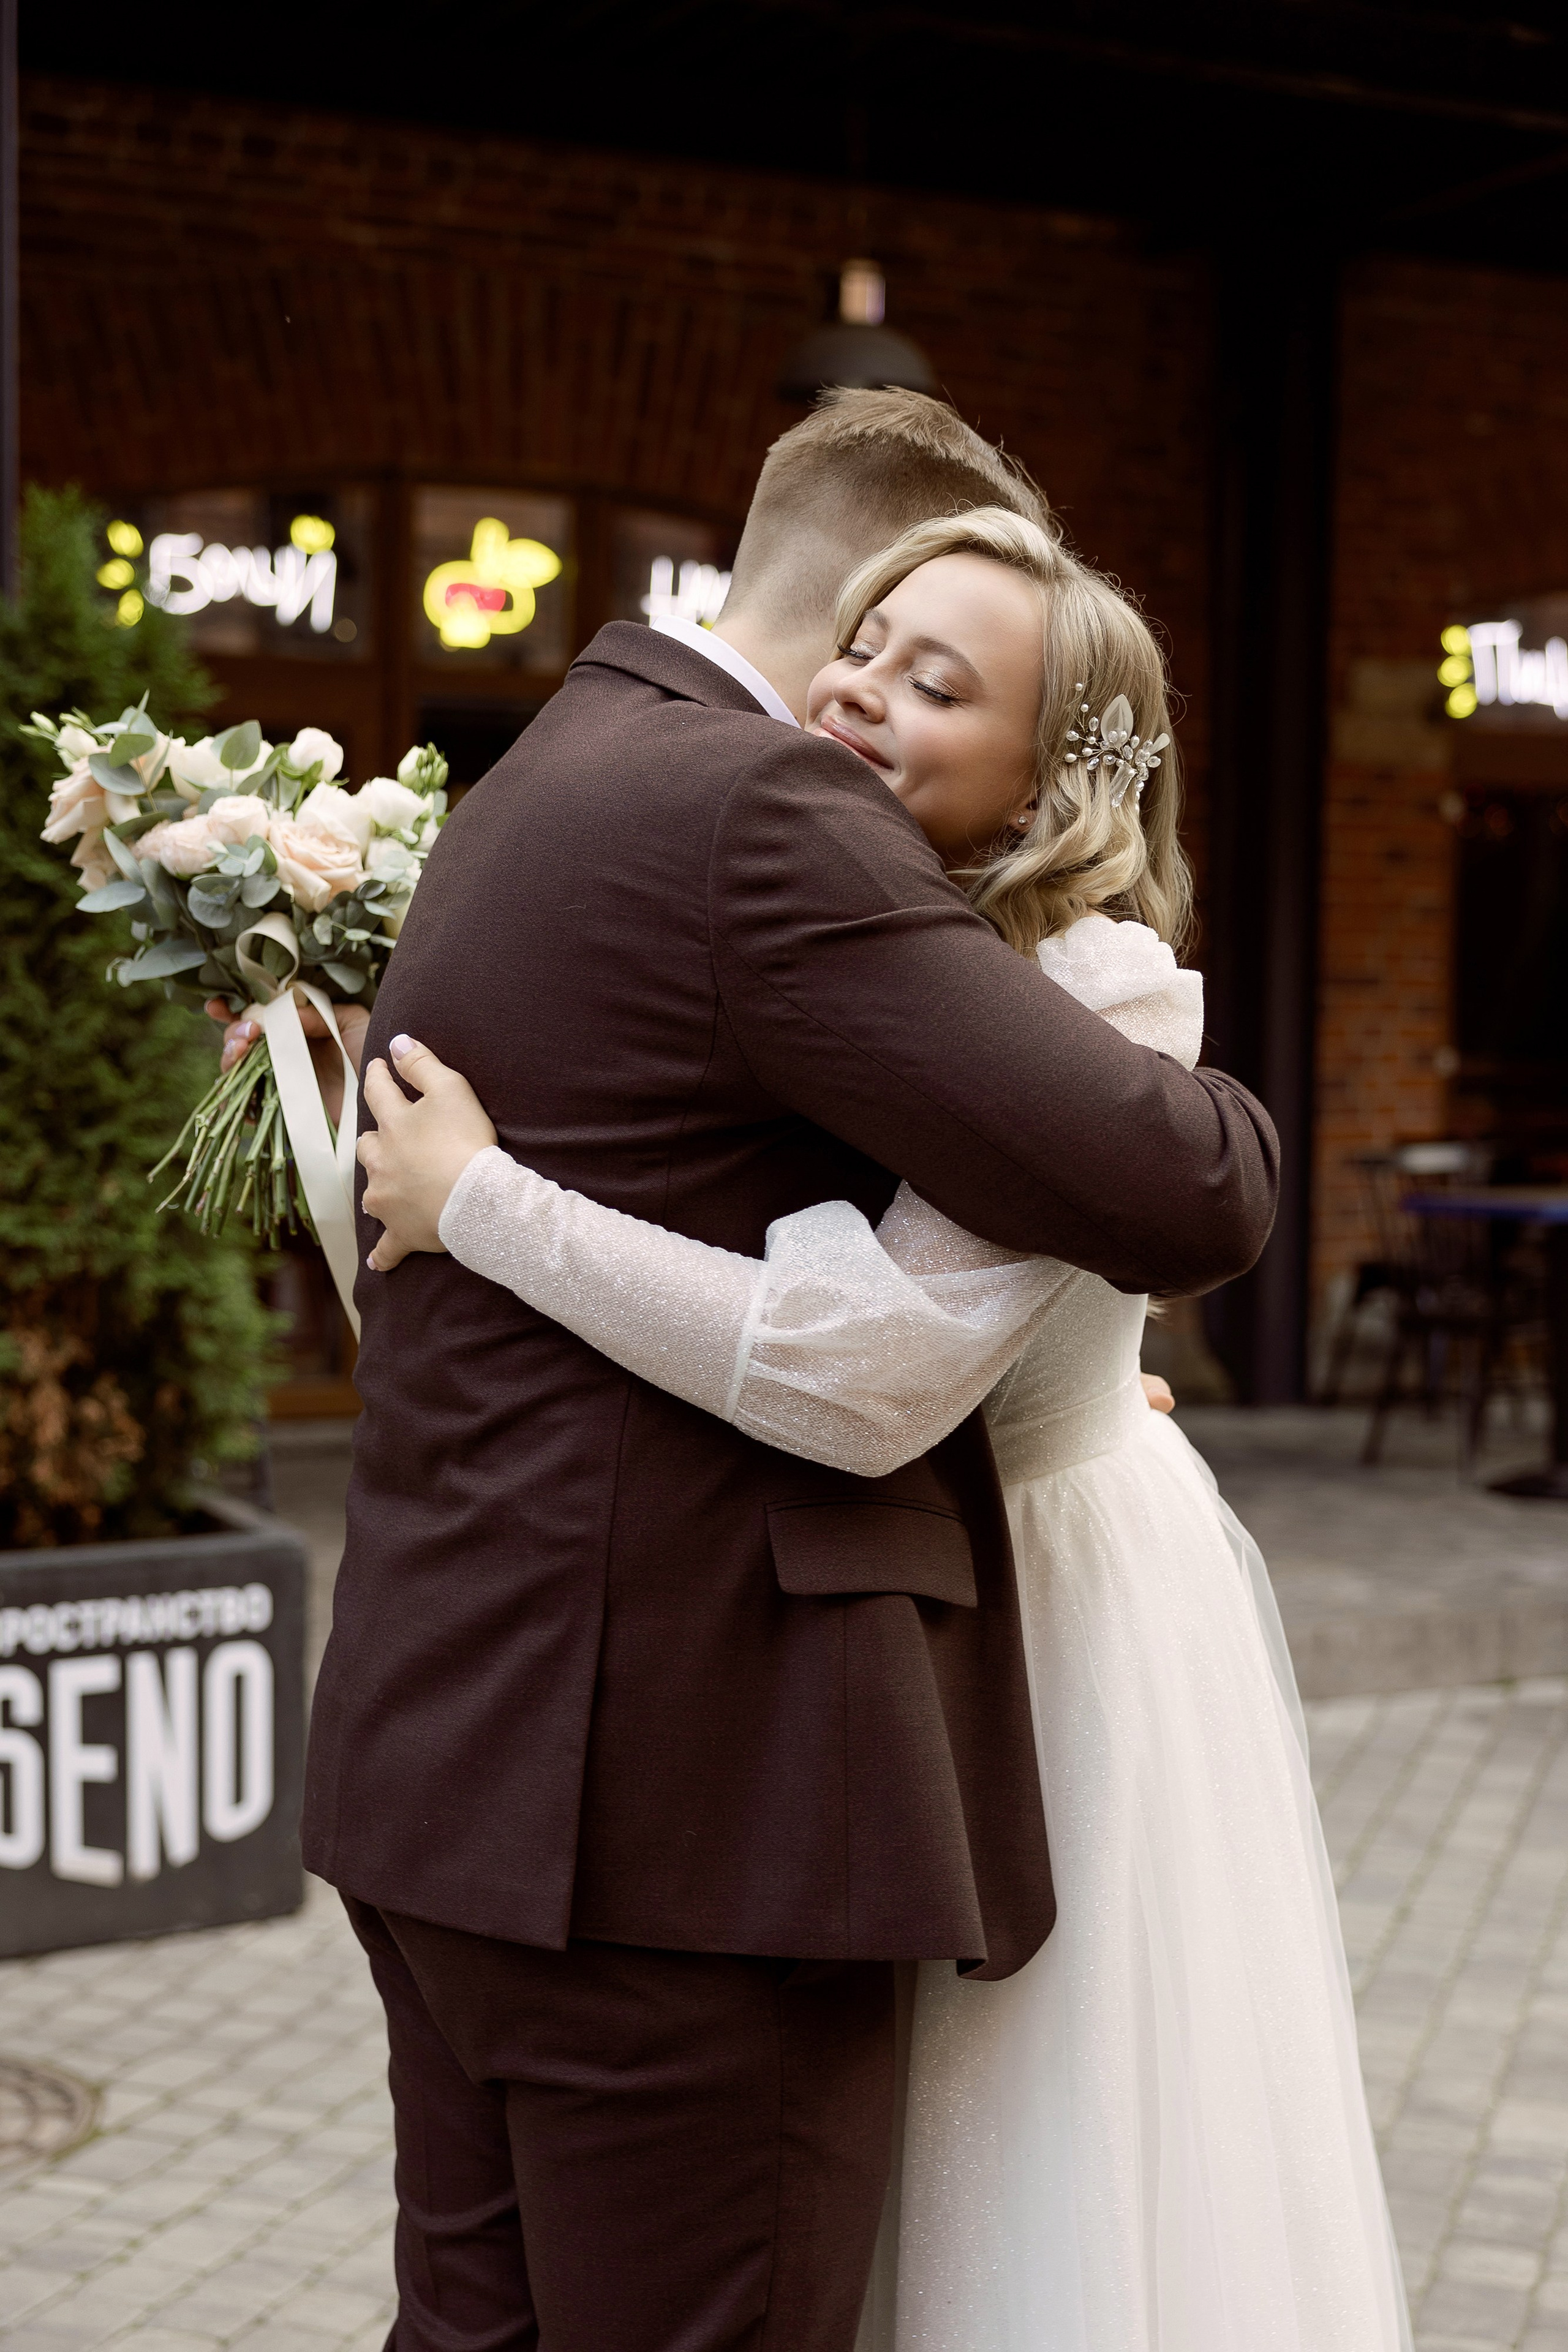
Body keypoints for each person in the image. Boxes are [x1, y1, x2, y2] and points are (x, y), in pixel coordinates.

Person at [355, 507, 1411, 2352]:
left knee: (1033, 2187)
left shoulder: (1079, 991)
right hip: (878, 1633)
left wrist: (489, 1203)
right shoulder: (856, 944)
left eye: (939, 684)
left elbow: (856, 1378)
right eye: (865, 645)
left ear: (1058, 775)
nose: (860, 692)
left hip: (1042, 1629)